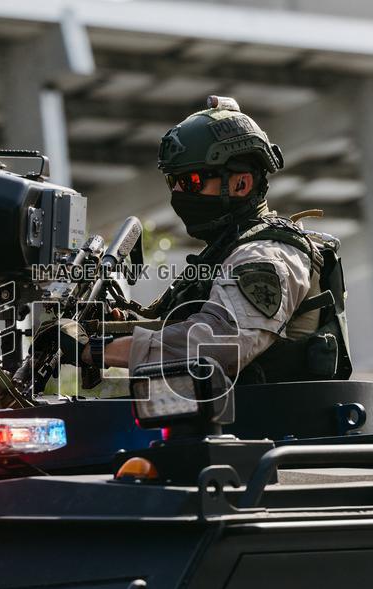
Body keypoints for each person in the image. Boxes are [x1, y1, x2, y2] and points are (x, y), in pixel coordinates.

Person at [53, 96, 352, 384]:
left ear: (241, 183)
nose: (179, 194)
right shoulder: (226, 252)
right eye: (175, 182)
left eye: (192, 182)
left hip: (268, 429)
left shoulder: (265, 255)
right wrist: (114, 326)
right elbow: (179, 330)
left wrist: (94, 349)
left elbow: (221, 343)